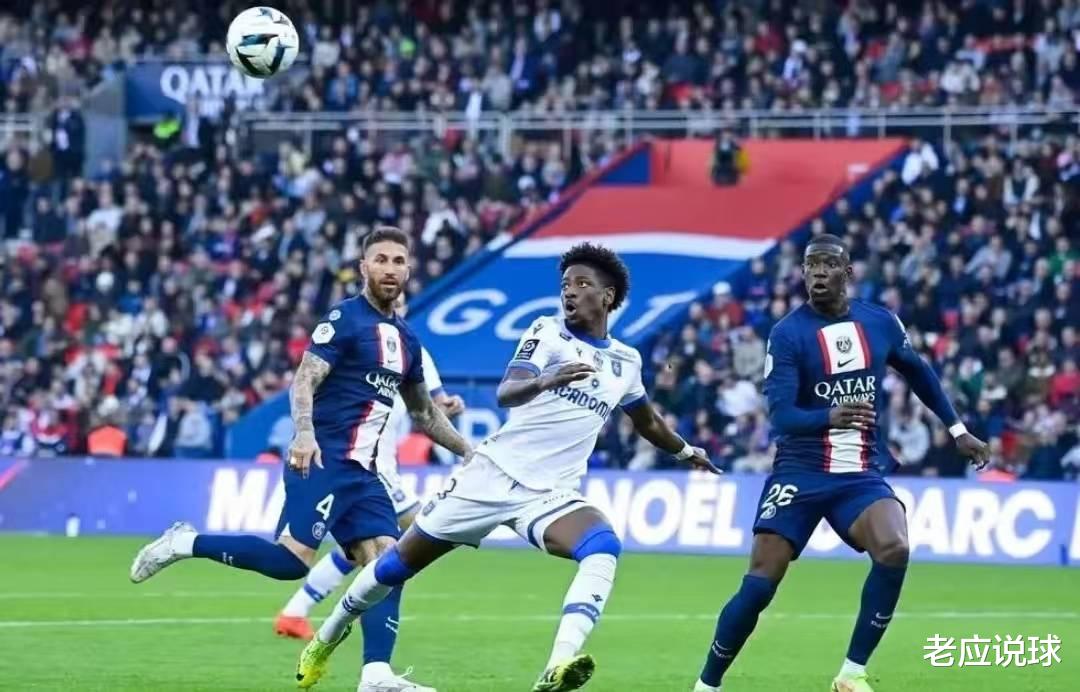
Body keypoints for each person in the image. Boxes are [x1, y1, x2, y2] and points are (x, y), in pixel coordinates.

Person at [294, 243, 720, 692]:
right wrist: (548, 379)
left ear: (608, 296)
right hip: (490, 477)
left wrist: (684, 452)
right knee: (394, 566)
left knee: (602, 546)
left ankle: (557, 665)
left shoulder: (626, 361)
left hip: (550, 493)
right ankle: (326, 637)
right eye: (565, 285)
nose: (570, 292)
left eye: (582, 284)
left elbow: (647, 421)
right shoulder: (547, 333)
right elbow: (508, 391)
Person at [129, 227, 472, 692]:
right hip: (323, 460)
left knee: (388, 564)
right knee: (291, 562)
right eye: (381, 260)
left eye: (398, 261)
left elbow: (425, 414)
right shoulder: (345, 319)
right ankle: (185, 542)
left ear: (409, 270)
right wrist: (305, 434)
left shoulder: (408, 341)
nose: (390, 269)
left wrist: (470, 452)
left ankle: (376, 675)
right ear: (364, 267)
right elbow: (305, 379)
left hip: (365, 474)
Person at [692, 233, 989, 692]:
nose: (817, 272)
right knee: (760, 585)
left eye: (828, 264)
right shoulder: (788, 333)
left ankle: (851, 673)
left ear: (847, 273)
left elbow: (919, 371)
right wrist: (829, 416)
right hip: (800, 471)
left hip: (859, 472)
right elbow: (782, 415)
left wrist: (957, 429)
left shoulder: (880, 322)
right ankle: (707, 685)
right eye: (810, 265)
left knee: (895, 548)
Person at [274, 291, 465, 690]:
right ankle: (327, 631)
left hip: (379, 462)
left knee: (376, 551)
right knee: (401, 546)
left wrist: (449, 409)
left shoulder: (411, 346)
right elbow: (309, 377)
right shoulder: (355, 329)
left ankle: (302, 614)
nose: (399, 303)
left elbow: (431, 406)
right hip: (367, 465)